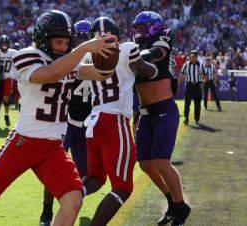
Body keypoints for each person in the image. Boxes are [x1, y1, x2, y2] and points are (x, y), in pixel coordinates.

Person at [0, 10, 118, 226]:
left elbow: (101, 74)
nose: (63, 47)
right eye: (58, 42)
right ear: (43, 39)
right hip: (23, 142)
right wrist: (85, 47)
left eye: (66, 42)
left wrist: (110, 52)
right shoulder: (25, 55)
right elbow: (50, 74)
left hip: (52, 147)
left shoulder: (69, 61)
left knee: (73, 199)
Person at [81, 17, 157, 226]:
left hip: (93, 122)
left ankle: (70, 196)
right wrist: (153, 61)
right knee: (123, 188)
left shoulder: (88, 56)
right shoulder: (127, 48)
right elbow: (148, 71)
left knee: (95, 178)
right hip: (115, 121)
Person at [132, 11, 191, 226]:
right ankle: (171, 201)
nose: (138, 32)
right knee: (145, 164)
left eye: (142, 27)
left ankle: (181, 206)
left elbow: (155, 53)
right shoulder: (135, 47)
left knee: (161, 161)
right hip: (146, 113)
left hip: (164, 109)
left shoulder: (162, 39)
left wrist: (138, 57)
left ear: (153, 26)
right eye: (136, 28)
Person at [39, 19, 93, 226]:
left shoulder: (85, 58)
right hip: (65, 121)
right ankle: (46, 212)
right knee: (55, 169)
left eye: (82, 36)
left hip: (84, 121)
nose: (79, 40)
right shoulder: (71, 59)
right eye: (77, 36)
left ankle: (66, 204)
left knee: (84, 172)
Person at [0, 35, 18, 126]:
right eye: (2, 43)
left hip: (8, 78)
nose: (4, 45)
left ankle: (6, 115)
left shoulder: (13, 52)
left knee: (6, 97)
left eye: (5, 43)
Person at [180, 50, 204, 125]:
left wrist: (203, 82)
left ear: (197, 57)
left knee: (197, 103)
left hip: (197, 85)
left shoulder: (200, 65)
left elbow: (203, 75)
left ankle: (197, 119)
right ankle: (186, 117)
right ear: (190, 56)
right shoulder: (186, 65)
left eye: (195, 56)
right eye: (192, 56)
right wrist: (178, 84)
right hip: (189, 85)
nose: (193, 58)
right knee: (187, 103)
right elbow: (182, 75)